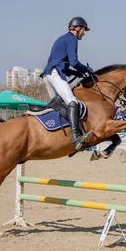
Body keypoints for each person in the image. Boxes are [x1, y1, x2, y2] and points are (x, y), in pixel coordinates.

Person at [40, 17, 94, 151]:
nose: (84, 33)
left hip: (48, 74)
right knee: (72, 103)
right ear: (78, 28)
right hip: (54, 74)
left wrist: (74, 73)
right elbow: (74, 62)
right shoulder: (72, 39)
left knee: (57, 105)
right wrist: (86, 69)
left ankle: (60, 135)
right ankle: (76, 138)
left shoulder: (61, 39)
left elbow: (60, 61)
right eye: (84, 30)